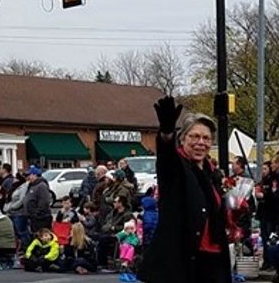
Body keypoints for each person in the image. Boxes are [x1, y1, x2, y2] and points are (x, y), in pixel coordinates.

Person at [138, 96, 231, 283]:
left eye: (206, 138)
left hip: (212, 256)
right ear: (182, 139)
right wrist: (166, 134)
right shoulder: (177, 167)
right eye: (194, 136)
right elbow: (166, 156)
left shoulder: (212, 173)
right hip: (181, 259)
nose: (201, 142)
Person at [97, 195, 134, 269]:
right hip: (108, 232)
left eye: (115, 202)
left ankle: (103, 263)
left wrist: (114, 228)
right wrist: (108, 227)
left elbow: (128, 228)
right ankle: (96, 261)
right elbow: (106, 224)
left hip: (119, 235)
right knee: (96, 236)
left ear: (120, 203)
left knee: (103, 240)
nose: (113, 203)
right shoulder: (112, 213)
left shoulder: (128, 215)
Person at [3, 172, 30, 251]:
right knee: (15, 232)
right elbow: (9, 199)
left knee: (22, 231)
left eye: (16, 178)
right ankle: (19, 247)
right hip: (11, 213)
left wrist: (11, 207)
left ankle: (26, 248)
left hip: (19, 213)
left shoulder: (23, 187)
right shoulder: (14, 187)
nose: (14, 180)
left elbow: (21, 200)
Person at [255, 161, 274, 270]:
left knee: (269, 238)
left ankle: (270, 261)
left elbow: (272, 195)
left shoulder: (271, 181)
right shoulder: (262, 182)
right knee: (264, 237)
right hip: (263, 213)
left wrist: (263, 195)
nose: (263, 171)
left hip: (269, 214)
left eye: (265, 169)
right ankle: (266, 260)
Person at [23, 165, 52, 234]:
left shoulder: (41, 186)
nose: (28, 177)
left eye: (29, 175)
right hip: (33, 218)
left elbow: (44, 202)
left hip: (41, 219)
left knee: (41, 236)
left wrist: (36, 213)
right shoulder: (32, 185)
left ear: (34, 175)